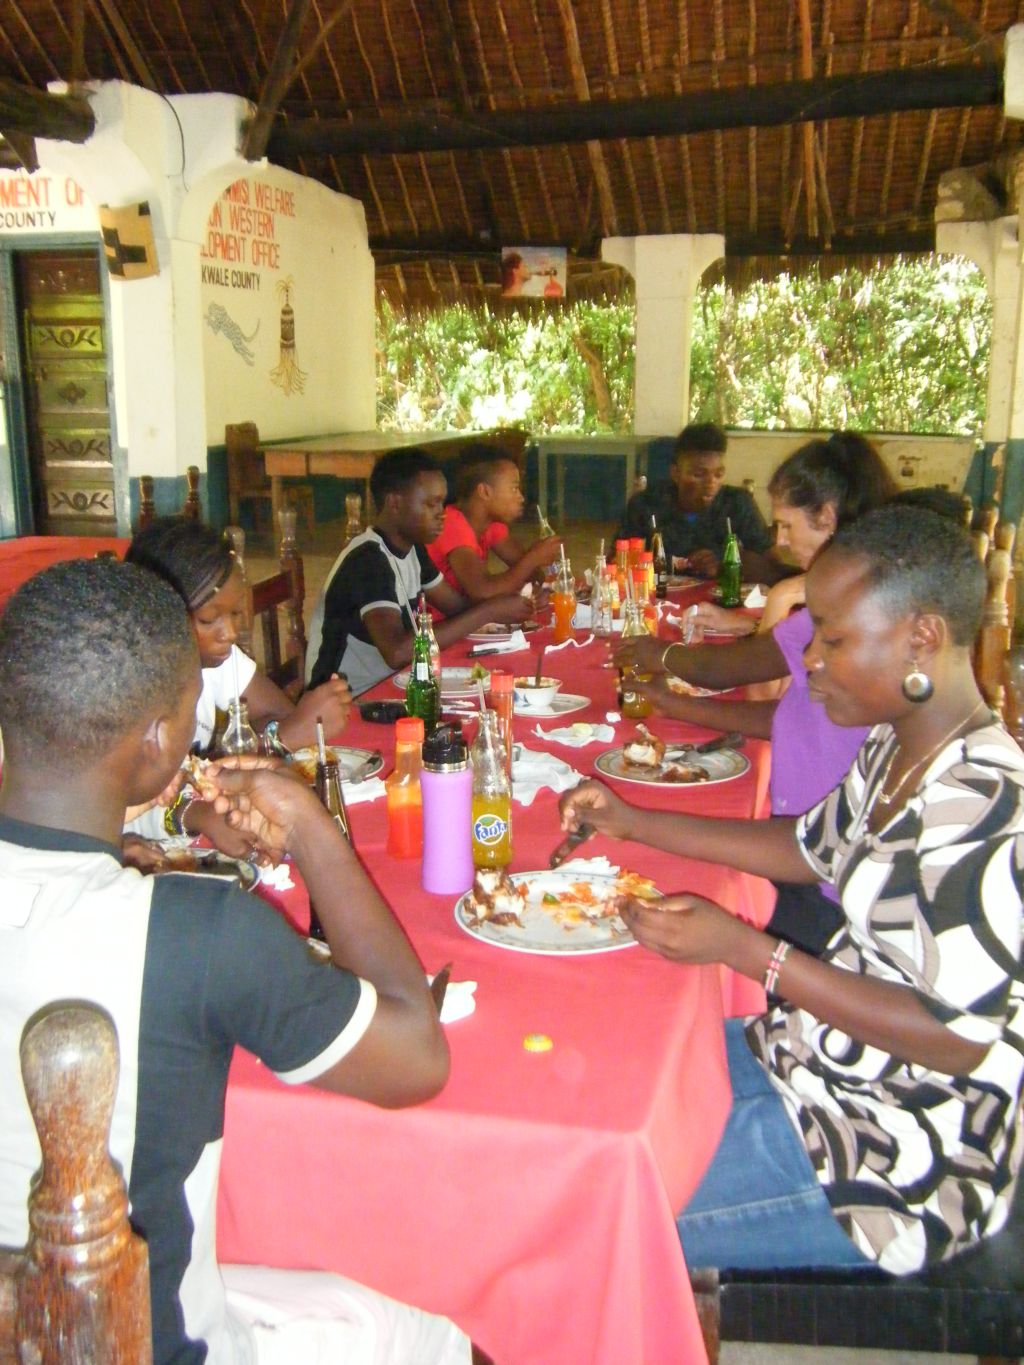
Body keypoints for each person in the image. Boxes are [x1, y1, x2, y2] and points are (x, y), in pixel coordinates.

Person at [0, 558, 474, 1364]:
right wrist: (311, 824)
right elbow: (417, 1058)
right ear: (160, 739)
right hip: (146, 1341)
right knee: (441, 1332)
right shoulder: (198, 932)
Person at [563, 505, 1024, 1275]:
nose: (809, 660)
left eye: (833, 640)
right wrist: (632, 820)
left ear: (922, 637)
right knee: (601, 1088)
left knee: (585, 1210)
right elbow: (806, 847)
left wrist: (750, 952)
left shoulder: (984, 800)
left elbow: (956, 1034)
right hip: (818, 1061)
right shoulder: (899, 742)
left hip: (895, 1154)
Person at [616, 433, 898, 952]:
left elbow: (732, 668)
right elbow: (792, 716)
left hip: (830, 875)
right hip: (807, 844)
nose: (781, 540)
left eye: (787, 525)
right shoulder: (859, 597)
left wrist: (662, 654)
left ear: (828, 517)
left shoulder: (842, 610)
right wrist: (678, 704)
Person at [125, 517, 352, 858]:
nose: (229, 634)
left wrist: (263, 737)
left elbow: (276, 710)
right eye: (208, 620)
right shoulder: (126, 689)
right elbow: (121, 805)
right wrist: (280, 737)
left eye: (234, 614)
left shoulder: (217, 660)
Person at [307, 447, 531, 694]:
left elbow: (457, 607)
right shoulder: (368, 560)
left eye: (442, 503)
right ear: (395, 503)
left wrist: (508, 605)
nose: (441, 514)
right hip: (346, 699)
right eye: (431, 504)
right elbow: (397, 652)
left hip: (394, 684)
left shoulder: (413, 549)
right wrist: (489, 610)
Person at [614, 422, 777, 581]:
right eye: (699, 475)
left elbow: (770, 563)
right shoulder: (645, 505)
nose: (711, 483)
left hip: (721, 597)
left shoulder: (736, 504)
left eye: (718, 475)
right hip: (659, 595)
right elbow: (617, 561)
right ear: (676, 473)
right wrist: (672, 563)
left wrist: (725, 564)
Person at [428, 444, 561, 601]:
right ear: (485, 492)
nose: (521, 497)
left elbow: (529, 571)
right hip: (439, 616)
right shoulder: (452, 524)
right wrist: (534, 557)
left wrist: (536, 561)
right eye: (514, 488)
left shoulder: (491, 524)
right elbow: (483, 591)